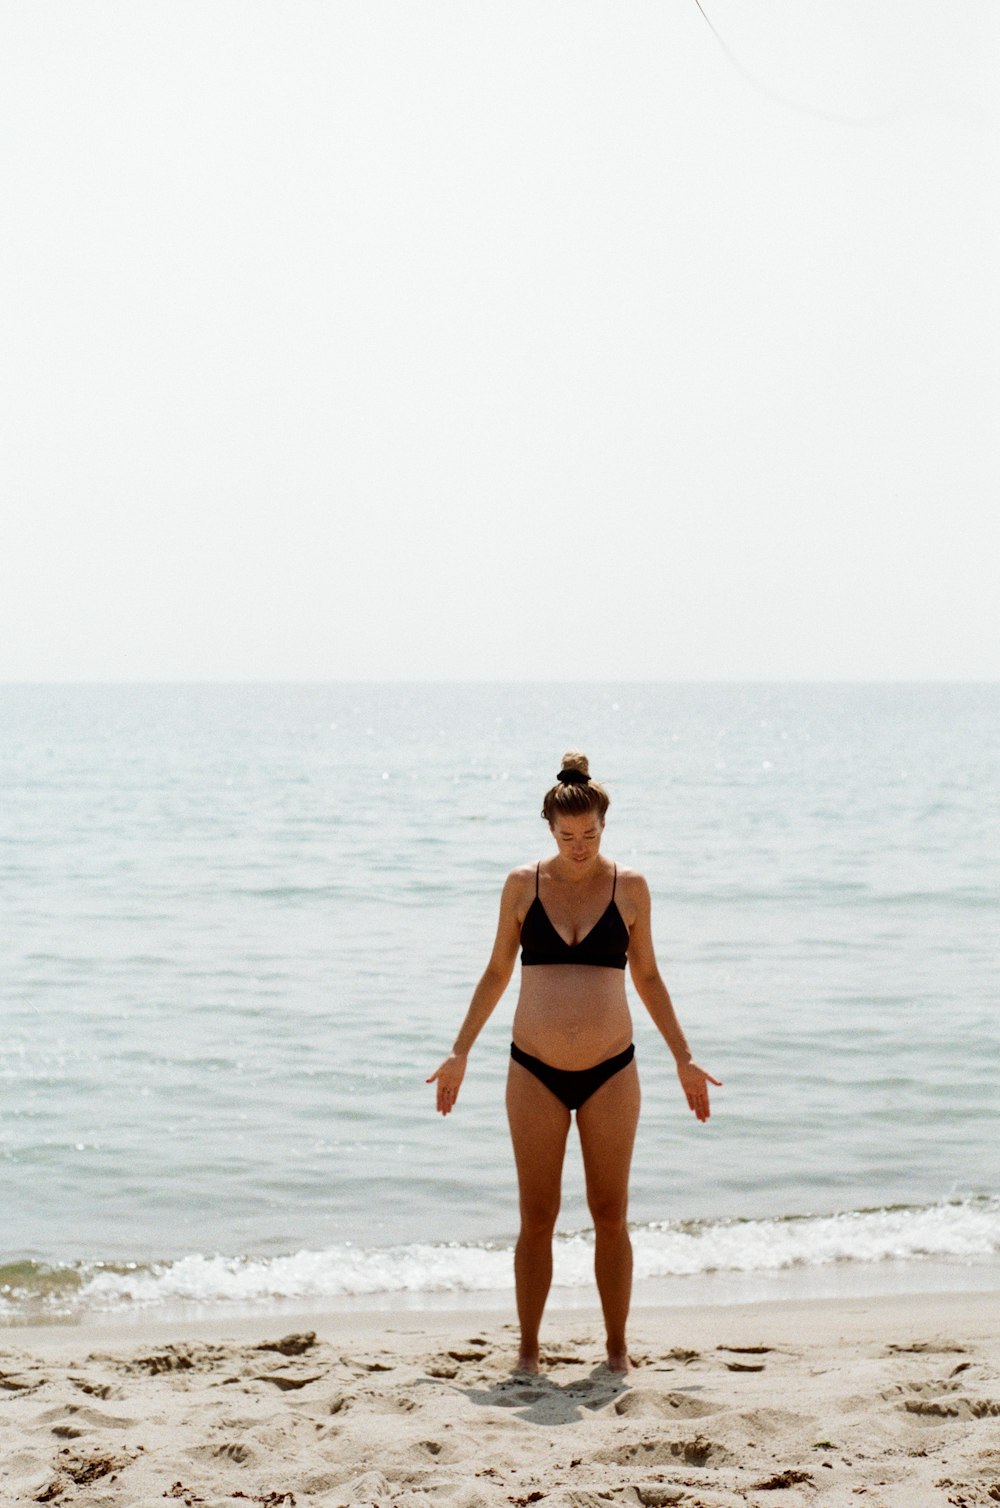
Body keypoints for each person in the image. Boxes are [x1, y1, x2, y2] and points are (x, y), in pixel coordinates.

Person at [427, 752, 721, 1374]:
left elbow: (647, 975)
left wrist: (684, 1058)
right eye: (567, 836)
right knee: (538, 1216)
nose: (579, 846)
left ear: (604, 826)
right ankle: (528, 1352)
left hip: (612, 1069)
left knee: (610, 1213)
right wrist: (459, 1051)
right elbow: (497, 972)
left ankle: (617, 1351)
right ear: (549, 831)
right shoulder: (522, 885)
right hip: (532, 1067)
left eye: (589, 834)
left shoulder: (631, 888)